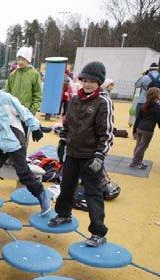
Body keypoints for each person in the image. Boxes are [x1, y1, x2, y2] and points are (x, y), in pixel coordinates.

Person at [50, 61, 114, 247]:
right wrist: (63, 139)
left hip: (91, 157)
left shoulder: (103, 102)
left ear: (99, 82)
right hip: (72, 153)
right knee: (66, 187)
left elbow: (107, 134)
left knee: (93, 193)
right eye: (85, 80)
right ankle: (63, 214)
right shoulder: (75, 100)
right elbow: (67, 124)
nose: (87, 84)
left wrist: (99, 156)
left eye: (92, 81)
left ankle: (98, 232)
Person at [0, 74, 51, 215]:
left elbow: (24, 112)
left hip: (15, 141)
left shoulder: (7, 99)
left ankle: (42, 196)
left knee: (23, 173)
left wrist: (35, 127)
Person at [4, 46, 42, 118]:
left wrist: (31, 111)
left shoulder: (34, 74)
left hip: (26, 113)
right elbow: (6, 92)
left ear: (28, 60)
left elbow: (38, 95)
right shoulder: (13, 74)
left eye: (23, 59)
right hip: (12, 113)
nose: (20, 62)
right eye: (18, 59)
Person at [131, 87, 160, 169]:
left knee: (139, 145)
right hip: (148, 130)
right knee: (142, 147)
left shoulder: (143, 106)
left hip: (139, 128)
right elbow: (159, 119)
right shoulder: (157, 107)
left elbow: (138, 118)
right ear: (157, 96)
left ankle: (139, 162)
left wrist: (134, 130)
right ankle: (135, 162)